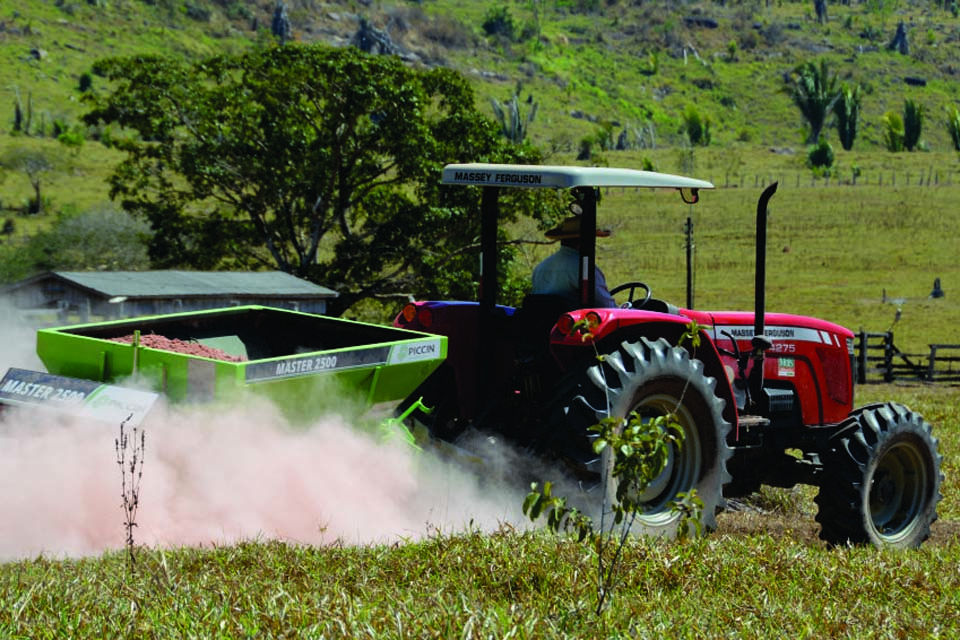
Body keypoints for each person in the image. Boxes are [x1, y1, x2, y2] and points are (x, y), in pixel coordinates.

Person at [531, 215, 617, 308]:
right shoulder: (584, 269)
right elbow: (606, 305)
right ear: (584, 241)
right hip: (574, 322)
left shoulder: (541, 267)